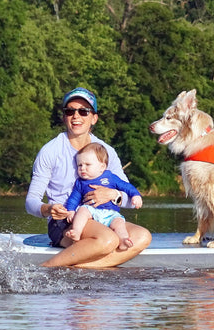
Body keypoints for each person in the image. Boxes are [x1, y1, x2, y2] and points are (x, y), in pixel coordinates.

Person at [24, 87, 151, 267]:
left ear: (94, 118)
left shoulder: (107, 152)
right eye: (70, 111)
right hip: (66, 221)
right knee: (108, 240)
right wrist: (47, 209)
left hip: (104, 217)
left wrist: (113, 196)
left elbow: (131, 199)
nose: (76, 116)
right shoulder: (50, 151)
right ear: (64, 117)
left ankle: (71, 266)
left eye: (83, 111)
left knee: (143, 236)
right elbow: (31, 202)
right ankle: (47, 268)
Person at [65, 143, 142, 250]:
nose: (82, 168)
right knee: (82, 211)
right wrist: (70, 210)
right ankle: (76, 232)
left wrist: (135, 195)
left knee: (119, 223)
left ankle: (123, 240)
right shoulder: (81, 182)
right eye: (79, 165)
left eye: (88, 165)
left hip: (110, 213)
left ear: (102, 167)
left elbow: (126, 186)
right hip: (91, 211)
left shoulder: (110, 177)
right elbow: (74, 198)